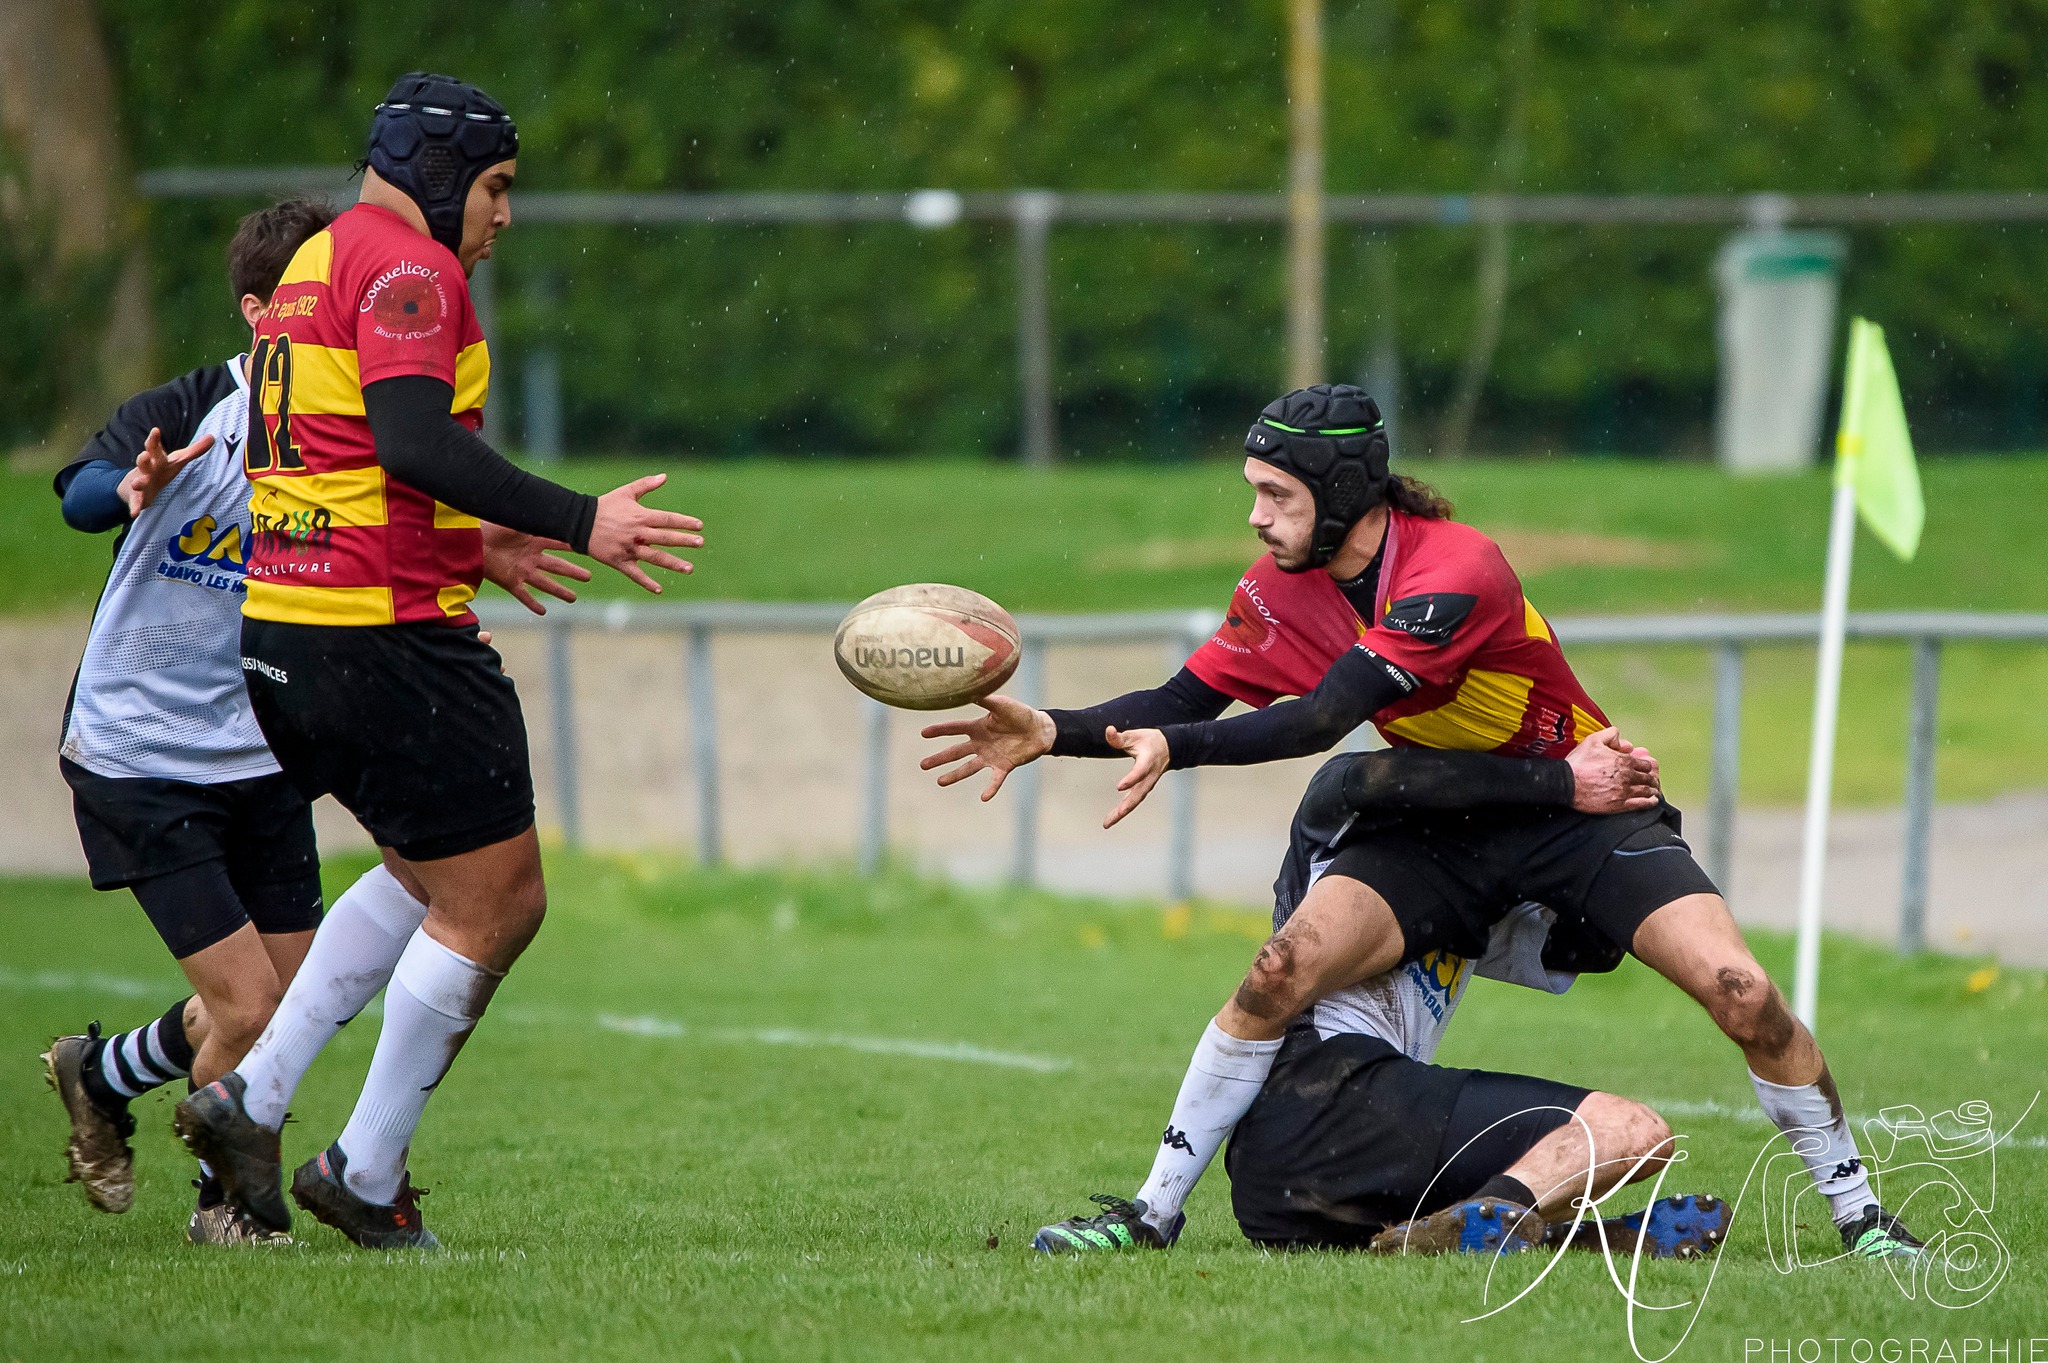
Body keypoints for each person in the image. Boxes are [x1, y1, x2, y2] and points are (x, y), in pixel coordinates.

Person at [925, 384, 1921, 1261]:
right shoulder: (1279, 590)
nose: (1254, 517)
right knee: (1277, 970)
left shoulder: (1453, 568)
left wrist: (1170, 749)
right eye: (1252, 491)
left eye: (1274, 494)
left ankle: (1860, 1216)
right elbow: (1183, 699)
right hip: (1439, 818)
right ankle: (1148, 1213)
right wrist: (1049, 729)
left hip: (1572, 803)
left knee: (1742, 992)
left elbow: (1320, 720)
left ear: (1343, 494)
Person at [172, 71, 704, 1251]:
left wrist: (479, 542)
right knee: (501, 898)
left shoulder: (315, 261)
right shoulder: (414, 269)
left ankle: (251, 1100)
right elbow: (410, 440)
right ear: (439, 169)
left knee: (429, 877)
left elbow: (345, 458)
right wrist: (579, 519)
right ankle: (359, 1170)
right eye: (498, 187)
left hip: (289, 631)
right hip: (387, 640)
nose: (503, 216)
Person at [40, 197, 590, 1246]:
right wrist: (130, 485)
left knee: (287, 998)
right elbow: (79, 494)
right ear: (263, 311)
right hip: (141, 749)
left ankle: (101, 1072)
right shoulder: (198, 408)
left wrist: (484, 551)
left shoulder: (341, 433)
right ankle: (229, 1215)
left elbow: (375, 532)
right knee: (251, 1010)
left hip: (258, 741)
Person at [1039, 747, 1729, 1258]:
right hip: (1327, 1097)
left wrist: (1644, 806)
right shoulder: (1358, 827)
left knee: (1578, 1153)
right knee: (1634, 1130)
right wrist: (1560, 780)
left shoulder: (1476, 893)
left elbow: (1597, 940)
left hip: (1291, 1187)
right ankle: (1516, 1221)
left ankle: (1544, 1233)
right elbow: (1363, 778)